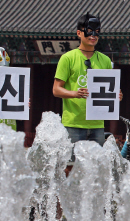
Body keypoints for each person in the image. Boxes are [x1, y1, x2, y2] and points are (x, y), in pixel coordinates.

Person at [52, 13, 122, 146]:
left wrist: (115, 95)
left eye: (97, 32)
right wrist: (75, 93)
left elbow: (109, 88)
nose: (93, 36)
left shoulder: (105, 60)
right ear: (79, 33)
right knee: (71, 165)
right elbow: (56, 89)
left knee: (95, 165)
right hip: (73, 123)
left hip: (97, 124)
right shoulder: (68, 58)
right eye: (89, 32)